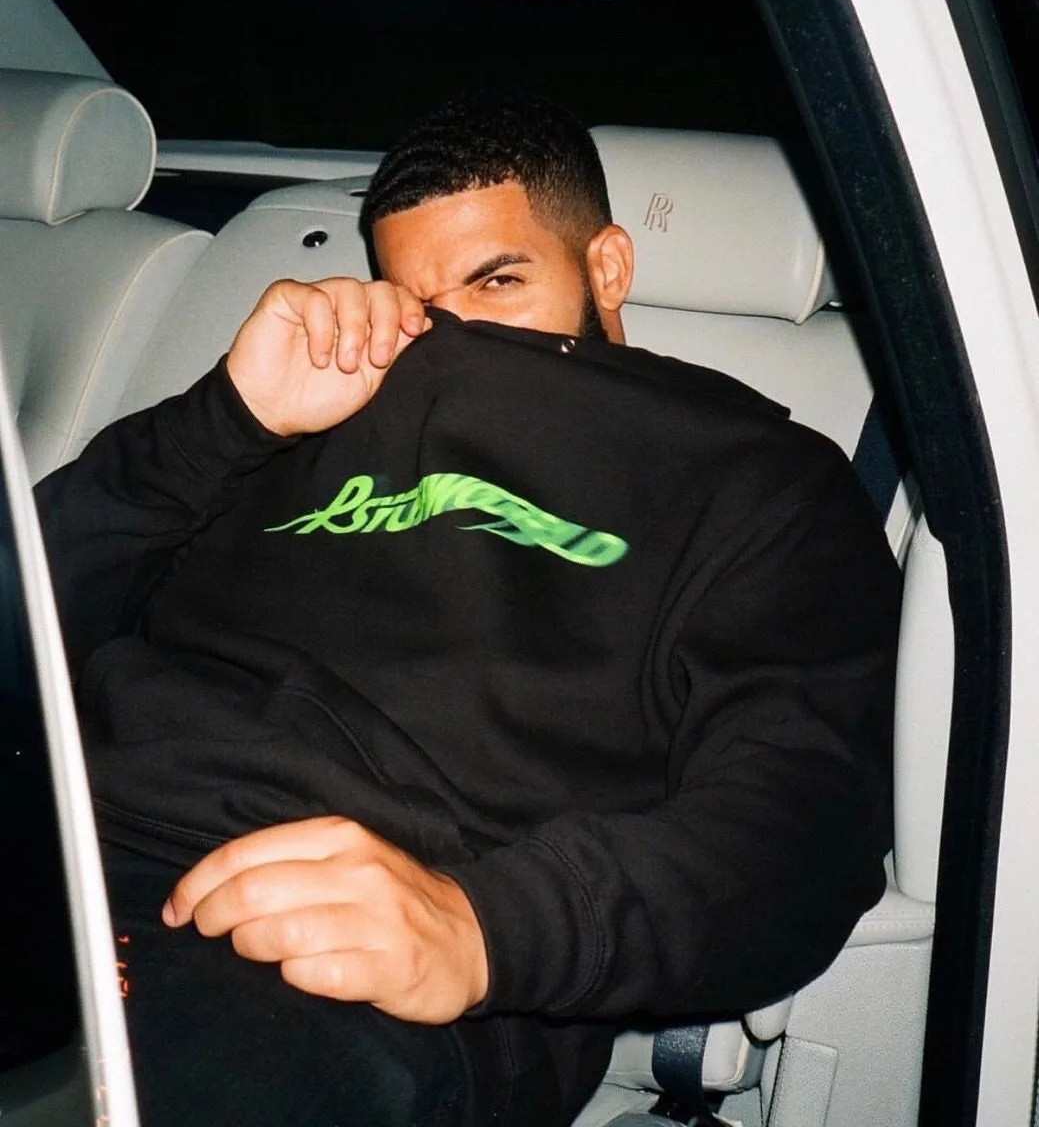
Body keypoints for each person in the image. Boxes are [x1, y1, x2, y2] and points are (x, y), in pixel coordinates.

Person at [37, 92, 900, 1127]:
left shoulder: (755, 480)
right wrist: (227, 415)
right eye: (414, 301)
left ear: (607, 267)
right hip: (62, 842)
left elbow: (800, 819)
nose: (453, 340)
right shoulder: (303, 402)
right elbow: (27, 602)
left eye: (498, 282)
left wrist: (481, 927)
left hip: (351, 961)